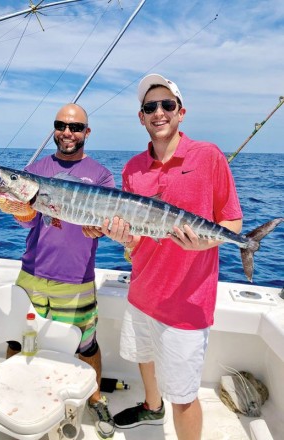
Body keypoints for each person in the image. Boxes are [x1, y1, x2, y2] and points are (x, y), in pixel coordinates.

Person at [84, 74, 243, 440]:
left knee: (184, 397)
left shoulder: (209, 157)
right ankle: (151, 409)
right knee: (145, 357)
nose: (159, 112)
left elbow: (232, 222)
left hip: (187, 304)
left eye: (166, 105)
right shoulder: (132, 169)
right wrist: (119, 236)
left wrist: (204, 244)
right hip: (141, 293)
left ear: (181, 112)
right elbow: (134, 241)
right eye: (149, 107)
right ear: (141, 117)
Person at [0, 103, 116, 439]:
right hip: (33, 271)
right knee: (17, 337)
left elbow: (110, 221)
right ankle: (2, 398)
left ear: (87, 132)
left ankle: (95, 399)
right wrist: (15, 207)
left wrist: (103, 227)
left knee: (86, 345)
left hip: (77, 277)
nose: (68, 132)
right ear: (54, 129)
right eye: (61, 125)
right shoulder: (36, 169)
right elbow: (28, 217)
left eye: (76, 127)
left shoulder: (101, 175)